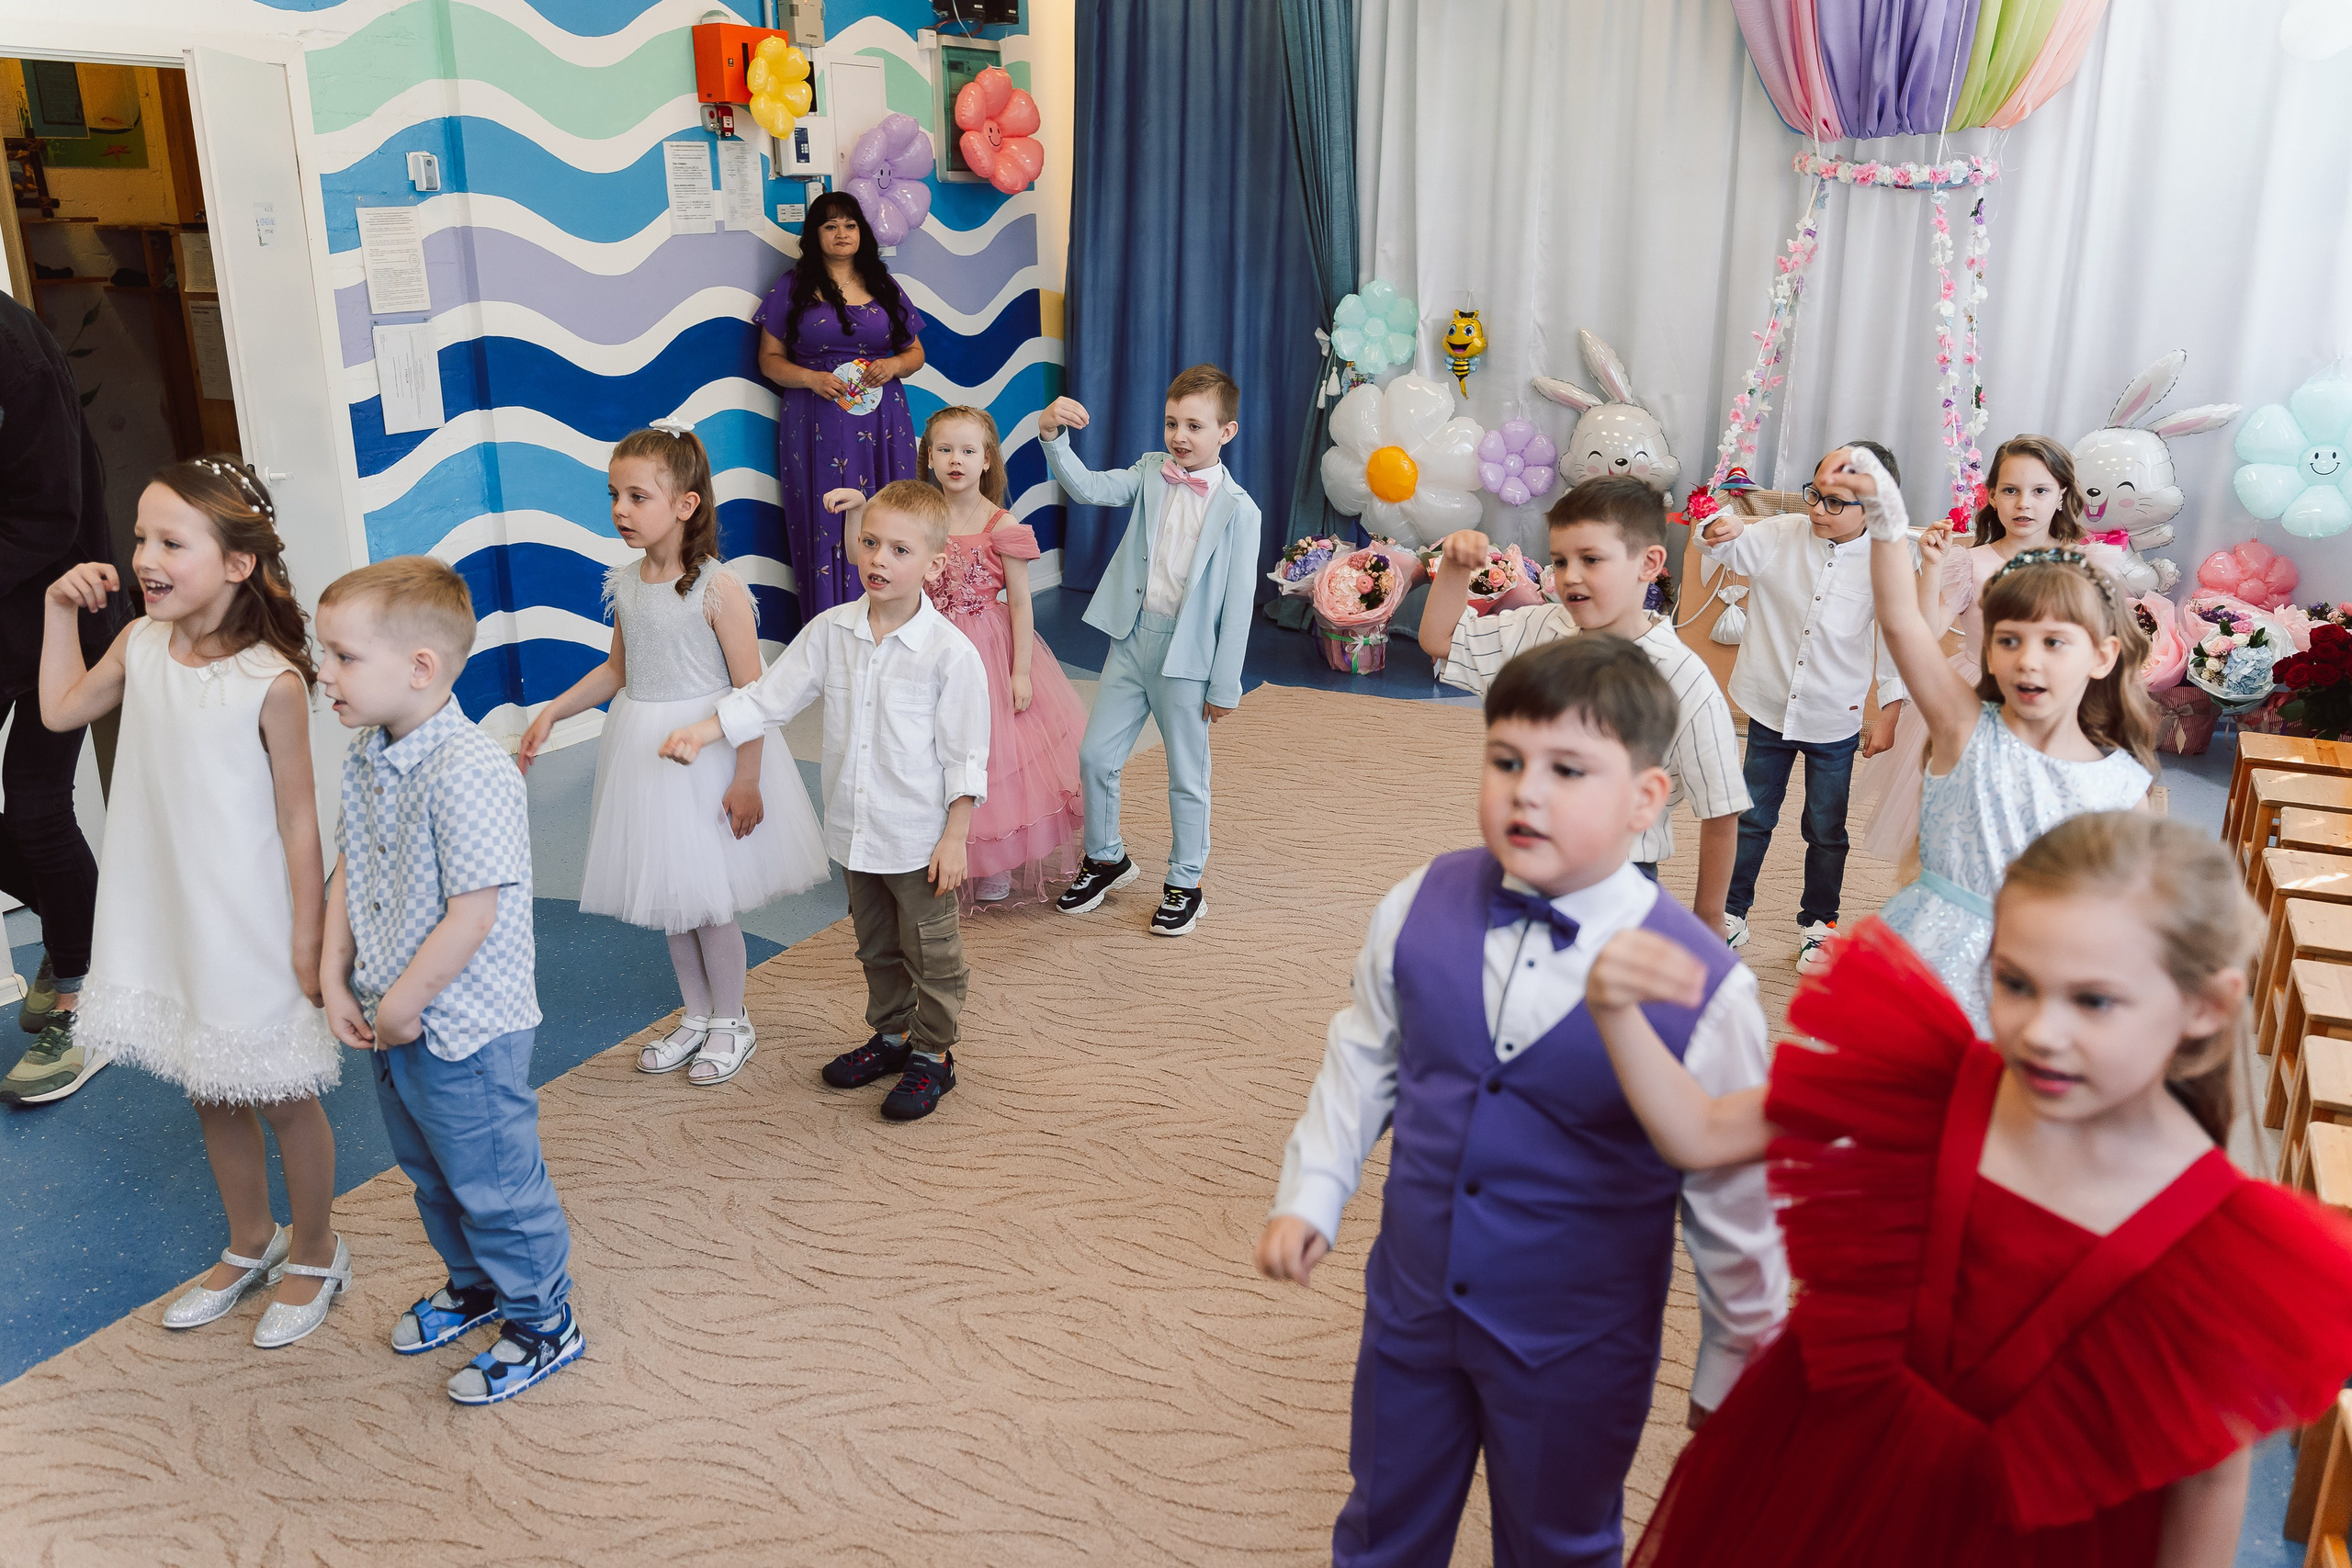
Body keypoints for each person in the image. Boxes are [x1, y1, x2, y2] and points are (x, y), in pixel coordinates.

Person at [1579, 812, 2352, 1566]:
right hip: (1822, 1481)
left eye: (2093, 1000)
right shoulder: (1930, 1083)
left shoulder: (2223, 1243)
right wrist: (1615, 1009)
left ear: (2205, 1007)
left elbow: (2207, 1477)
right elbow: (1702, 1134)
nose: (2041, 1030)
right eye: (2015, 982)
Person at [1256, 636, 1788, 1568]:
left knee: (1559, 1544)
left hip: (1578, 1343)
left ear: (1645, 801)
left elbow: (1734, 1197)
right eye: (1505, 760)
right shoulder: (1419, 901)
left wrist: (1734, 1355)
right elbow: (1364, 1055)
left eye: (1567, 770)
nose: (1526, 793)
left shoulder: (1706, 987)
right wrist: (1313, 1191)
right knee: (1382, 1522)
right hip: (1413, 1305)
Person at [40, 458, 345, 1347]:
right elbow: (58, 710)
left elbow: (299, 821)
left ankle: (317, 1249)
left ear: (238, 563)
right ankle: (252, 1237)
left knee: (282, 1092)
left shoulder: (270, 680)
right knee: (208, 1084)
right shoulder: (139, 645)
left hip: (247, 922)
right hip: (169, 911)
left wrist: (309, 936)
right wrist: (57, 609)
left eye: (171, 542)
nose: (144, 557)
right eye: (141, 537)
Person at [316, 556, 583, 1404]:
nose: (324, 673)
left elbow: (472, 915)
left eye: (343, 656)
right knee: (429, 1169)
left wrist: (401, 1004)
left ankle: (544, 1319)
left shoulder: (470, 769)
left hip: (463, 1023)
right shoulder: (366, 754)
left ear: (420, 666)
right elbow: (350, 864)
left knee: (493, 1180)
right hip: (392, 1012)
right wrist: (332, 972)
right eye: (325, 654)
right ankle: (475, 1285)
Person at [661, 480, 989, 1122]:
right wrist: (704, 731)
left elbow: (965, 755)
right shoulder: (831, 632)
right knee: (876, 945)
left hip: (918, 838)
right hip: (855, 832)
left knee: (932, 951)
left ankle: (933, 1054)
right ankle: (891, 1037)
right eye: (870, 542)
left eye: (900, 549)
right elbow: (768, 699)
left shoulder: (951, 655)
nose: (879, 559)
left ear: (935, 563)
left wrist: (956, 836)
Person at [518, 424, 826, 1087]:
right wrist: (553, 710)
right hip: (645, 753)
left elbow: (754, 694)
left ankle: (732, 1020)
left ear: (686, 504)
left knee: (709, 902)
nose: (620, 510)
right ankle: (696, 1012)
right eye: (614, 495)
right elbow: (617, 671)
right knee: (670, 896)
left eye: (637, 496)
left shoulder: (720, 587)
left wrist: (748, 778)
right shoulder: (627, 583)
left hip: (708, 753)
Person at [1843, 445, 2154, 1032]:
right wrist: (1888, 522)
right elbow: (1907, 626)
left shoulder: (2121, 785)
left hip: (2039, 986)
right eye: (2008, 640)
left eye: (2054, 642)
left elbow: (2135, 906)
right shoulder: (1964, 728)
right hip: (1935, 973)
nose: (2029, 660)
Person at [1418, 477, 1750, 932]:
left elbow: (1721, 806)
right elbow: (1440, 640)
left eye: (1591, 559)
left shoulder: (1683, 676)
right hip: (1527, 851)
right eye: (1560, 560)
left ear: (1649, 563)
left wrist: (1709, 918)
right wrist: (1455, 569)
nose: (1570, 576)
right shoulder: (1538, 628)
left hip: (1618, 878)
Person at [827, 405, 1085, 909]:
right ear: (929, 456)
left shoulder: (1002, 523)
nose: (955, 460)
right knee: (925, 744)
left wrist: (1020, 671)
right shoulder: (919, 515)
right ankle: (925, 843)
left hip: (985, 648)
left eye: (968, 451)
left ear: (987, 460)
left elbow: (1022, 603)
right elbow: (866, 557)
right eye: (944, 450)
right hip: (925, 642)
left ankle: (993, 858)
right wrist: (858, 509)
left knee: (989, 751)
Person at [1037, 366, 1261, 937]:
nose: (1179, 436)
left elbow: (1238, 605)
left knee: (1187, 774)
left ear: (1226, 432)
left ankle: (1186, 882)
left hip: (1188, 658)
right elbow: (1089, 488)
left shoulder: (1240, 510)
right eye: (1171, 423)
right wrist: (1053, 437)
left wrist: (1224, 683)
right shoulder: (1149, 473)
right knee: (1096, 756)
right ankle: (1106, 857)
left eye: (1194, 425)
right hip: (1132, 639)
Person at [1696, 442, 1909, 970]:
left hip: (1833, 718)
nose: (1818, 509)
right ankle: (1730, 912)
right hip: (1769, 707)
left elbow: (1895, 637)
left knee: (1826, 828)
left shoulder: (1886, 559)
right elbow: (1722, 543)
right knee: (1751, 816)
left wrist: (1890, 710)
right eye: (1815, 494)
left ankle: (1820, 924)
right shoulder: (1780, 535)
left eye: (1836, 502)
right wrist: (1717, 527)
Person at [0, 292, 132, 1104]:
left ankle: (87, 1002)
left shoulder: (14, 353)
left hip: (61, 613)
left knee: (36, 805)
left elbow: (50, 514)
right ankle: (75, 925)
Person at [1853, 434, 2086, 867]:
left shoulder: (2081, 566)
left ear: (2062, 496)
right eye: (2011, 490)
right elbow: (1924, 634)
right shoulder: (1972, 562)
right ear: (1991, 496)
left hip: (2052, 700)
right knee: (1966, 822)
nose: (2024, 504)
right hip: (1976, 700)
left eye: (2039, 491)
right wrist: (1932, 567)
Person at [753, 190, 929, 618]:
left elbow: (916, 353)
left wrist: (894, 365)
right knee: (828, 518)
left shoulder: (884, 285)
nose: (841, 233)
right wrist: (809, 378)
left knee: (893, 512)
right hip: (818, 422)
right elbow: (769, 360)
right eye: (830, 226)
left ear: (862, 232)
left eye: (850, 225)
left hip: (885, 421)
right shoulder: (792, 286)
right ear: (814, 235)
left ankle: (900, 619)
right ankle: (834, 628)